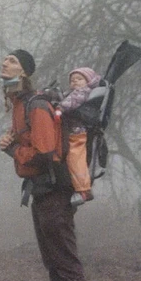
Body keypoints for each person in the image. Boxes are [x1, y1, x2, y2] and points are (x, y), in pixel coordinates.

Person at [0, 49, 89, 281]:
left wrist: (13, 150)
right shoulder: (19, 104)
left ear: (24, 71)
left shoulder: (36, 105)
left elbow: (46, 152)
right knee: (51, 258)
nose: (5, 63)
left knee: (64, 257)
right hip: (40, 190)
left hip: (55, 191)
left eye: (12, 60)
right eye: (5, 59)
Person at [60, 67, 103, 207]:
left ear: (88, 81)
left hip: (76, 132)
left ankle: (83, 189)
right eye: (72, 80)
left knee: (74, 158)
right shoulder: (73, 93)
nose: (75, 82)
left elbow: (71, 102)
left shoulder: (83, 92)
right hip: (71, 131)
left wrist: (59, 107)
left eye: (79, 79)